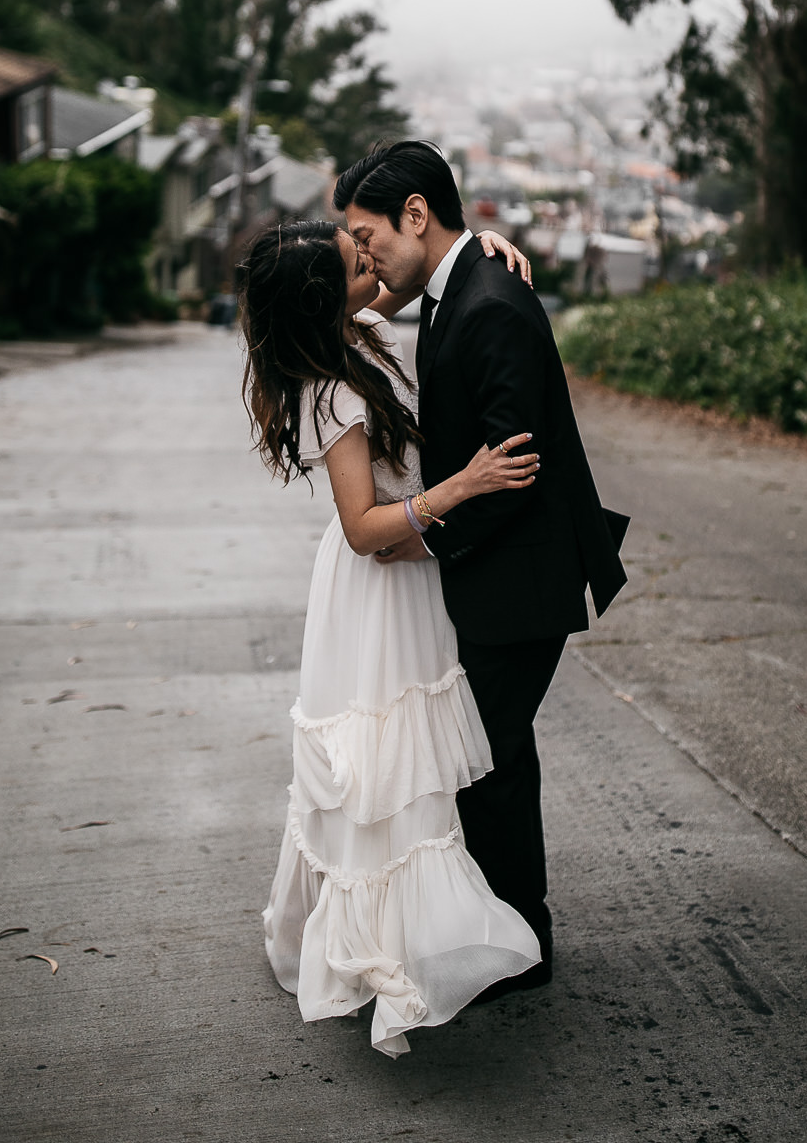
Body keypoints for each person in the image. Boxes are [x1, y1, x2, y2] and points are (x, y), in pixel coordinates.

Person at [239, 216, 545, 1057]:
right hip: (376, 591)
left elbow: (431, 266)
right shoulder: (328, 389)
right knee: (377, 778)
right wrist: (465, 486)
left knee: (410, 769)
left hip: (415, 582)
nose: (368, 258)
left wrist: (484, 240)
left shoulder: (368, 329)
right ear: (322, 302)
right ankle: (380, 950)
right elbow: (364, 526)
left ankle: (420, 931)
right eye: (351, 262)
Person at [334, 140, 628, 1001]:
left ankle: (514, 945)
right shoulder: (456, 284)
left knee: (482, 761)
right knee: (496, 756)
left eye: (368, 234)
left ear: (416, 214)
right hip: (495, 573)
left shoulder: (489, 300)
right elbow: (377, 294)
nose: (364, 255)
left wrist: (423, 539)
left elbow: (516, 469)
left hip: (522, 577)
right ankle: (519, 932)